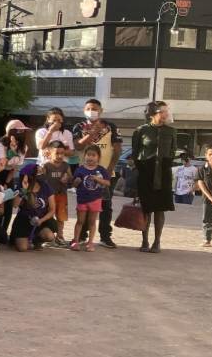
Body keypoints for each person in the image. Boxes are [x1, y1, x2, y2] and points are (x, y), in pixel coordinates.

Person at [72, 98, 122, 248]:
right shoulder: (79, 126)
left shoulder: (110, 126)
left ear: (101, 111)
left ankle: (105, 236)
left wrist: (109, 168)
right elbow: (78, 146)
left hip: (106, 173)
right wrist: (93, 132)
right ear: (84, 110)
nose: (92, 111)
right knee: (85, 204)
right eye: (88, 108)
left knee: (106, 205)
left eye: (95, 108)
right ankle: (81, 236)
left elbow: (117, 148)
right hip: (85, 173)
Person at [132, 101, 177, 252]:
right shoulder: (141, 130)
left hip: (163, 172)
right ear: (153, 114)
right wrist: (142, 169)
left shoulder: (171, 131)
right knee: (146, 208)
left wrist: (164, 163)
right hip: (146, 172)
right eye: (163, 111)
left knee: (160, 209)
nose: (166, 114)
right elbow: (135, 153)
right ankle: (144, 240)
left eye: (166, 111)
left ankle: (157, 242)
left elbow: (172, 152)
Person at [70, 146, 111, 252]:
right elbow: (74, 184)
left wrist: (98, 179)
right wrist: (76, 182)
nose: (90, 158)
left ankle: (90, 242)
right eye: (88, 155)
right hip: (82, 199)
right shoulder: (80, 169)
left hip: (96, 199)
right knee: (80, 221)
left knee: (92, 222)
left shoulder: (101, 170)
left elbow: (107, 183)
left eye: (93, 155)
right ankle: (75, 241)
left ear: (98, 157)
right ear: (84, 156)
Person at [10, 165, 58, 251]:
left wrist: (41, 220)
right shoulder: (22, 187)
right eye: (38, 172)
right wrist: (23, 190)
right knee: (23, 248)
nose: (41, 174)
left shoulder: (45, 186)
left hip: (40, 220)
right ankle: (22, 238)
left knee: (49, 236)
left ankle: (37, 241)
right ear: (30, 176)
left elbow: (52, 210)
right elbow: (15, 205)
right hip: (24, 220)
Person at [40, 141, 72, 245]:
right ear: (49, 153)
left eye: (62, 153)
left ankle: (60, 236)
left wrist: (67, 178)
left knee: (60, 217)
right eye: (57, 153)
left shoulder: (66, 166)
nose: (60, 156)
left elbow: (71, 178)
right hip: (49, 196)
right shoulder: (46, 165)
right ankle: (48, 236)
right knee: (48, 215)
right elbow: (41, 179)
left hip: (61, 195)